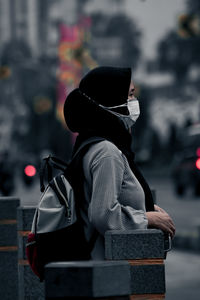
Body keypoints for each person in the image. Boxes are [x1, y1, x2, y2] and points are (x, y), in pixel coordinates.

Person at [64, 66, 175, 259]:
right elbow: (103, 215)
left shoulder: (93, 143)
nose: (134, 102)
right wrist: (146, 219)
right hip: (107, 269)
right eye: (130, 95)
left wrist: (144, 207)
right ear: (110, 98)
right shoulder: (107, 152)